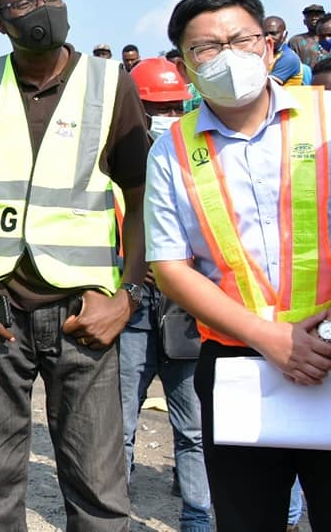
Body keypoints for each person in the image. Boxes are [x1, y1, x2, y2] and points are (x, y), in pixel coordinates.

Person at [0, 0, 150, 532]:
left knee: (99, 488)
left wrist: (128, 293)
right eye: (24, 3)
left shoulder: (109, 84)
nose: (41, 7)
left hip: (83, 314)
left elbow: (142, 194)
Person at [146, 0, 331, 531]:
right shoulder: (172, 148)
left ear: (269, 46)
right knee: (247, 518)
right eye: (206, 48)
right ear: (185, 64)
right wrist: (270, 338)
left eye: (240, 39)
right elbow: (169, 266)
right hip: (237, 360)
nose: (227, 57)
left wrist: (328, 335)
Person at [120, 57, 212, 532]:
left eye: (175, 104)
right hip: (130, 307)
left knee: (193, 429)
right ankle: (113, 512)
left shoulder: (201, 155)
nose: (168, 113)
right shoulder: (111, 159)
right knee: (120, 425)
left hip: (187, 308)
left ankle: (198, 517)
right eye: (158, 105)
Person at [263, 15, 306, 85]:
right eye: (264, 34)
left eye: (273, 34)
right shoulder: (265, 55)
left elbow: (268, 87)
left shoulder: (288, 57)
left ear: (285, 35)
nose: (267, 38)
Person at [288, 3, 329, 67]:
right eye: (310, 16)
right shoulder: (296, 41)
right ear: (304, 21)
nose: (314, 18)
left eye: (317, 15)